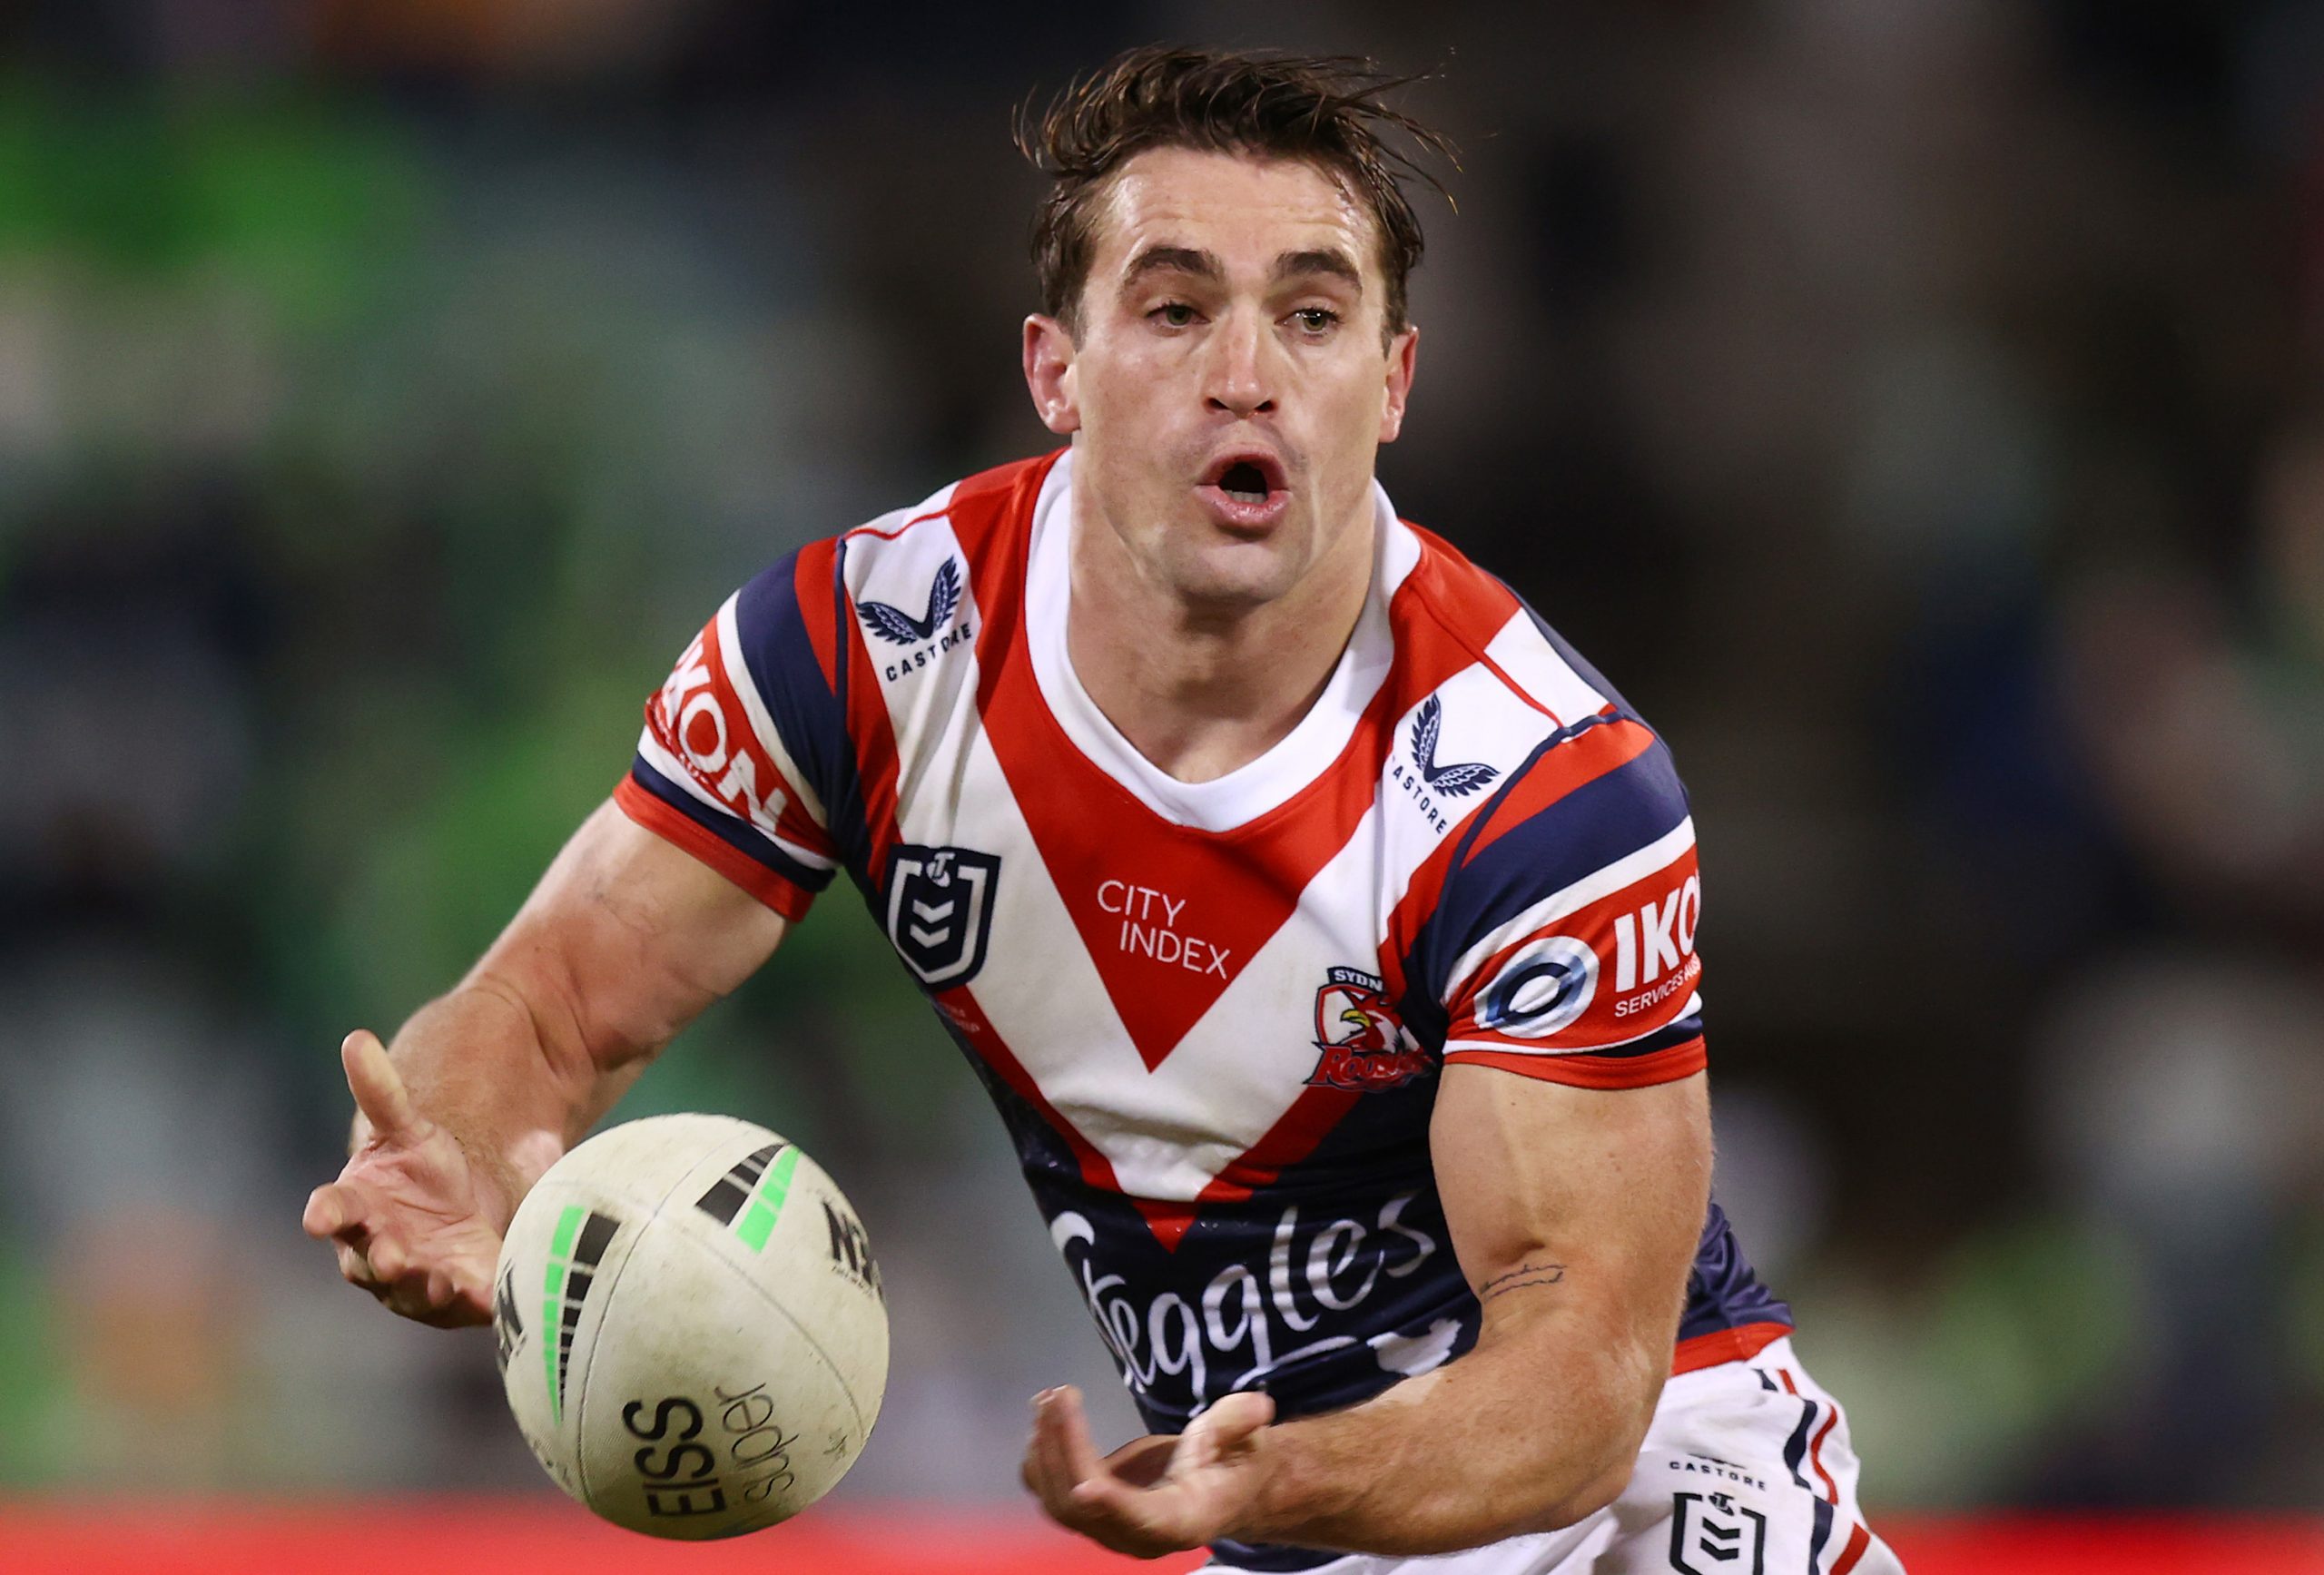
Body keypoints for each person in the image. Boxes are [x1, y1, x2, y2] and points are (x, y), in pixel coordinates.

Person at [302, 45, 1904, 1574]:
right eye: (1176, 307)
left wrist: (1280, 1477)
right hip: (1282, 1518)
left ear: (1393, 384)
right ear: (1054, 371)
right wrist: (460, 1155)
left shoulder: (1541, 789)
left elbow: (1584, 1375)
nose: (1246, 378)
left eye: (1314, 317)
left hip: (1639, 1490)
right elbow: (554, 1004)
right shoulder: (862, 651)